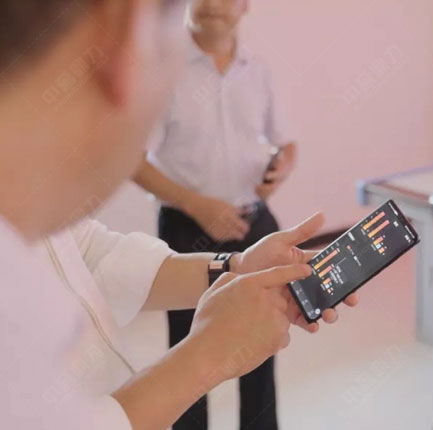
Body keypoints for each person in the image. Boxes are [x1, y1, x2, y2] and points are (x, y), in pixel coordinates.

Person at [0, 1, 357, 428]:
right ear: (127, 38)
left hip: (250, 225)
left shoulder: (39, 227)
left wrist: (235, 267)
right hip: (186, 226)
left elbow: (93, 254)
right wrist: (203, 358)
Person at [134, 1, 296, 428]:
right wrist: (196, 205)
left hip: (254, 225)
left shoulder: (259, 70)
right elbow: (133, 161)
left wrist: (281, 167)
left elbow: (286, 143)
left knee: (261, 342)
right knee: (189, 352)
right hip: (186, 230)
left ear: (244, 6)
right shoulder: (162, 71)